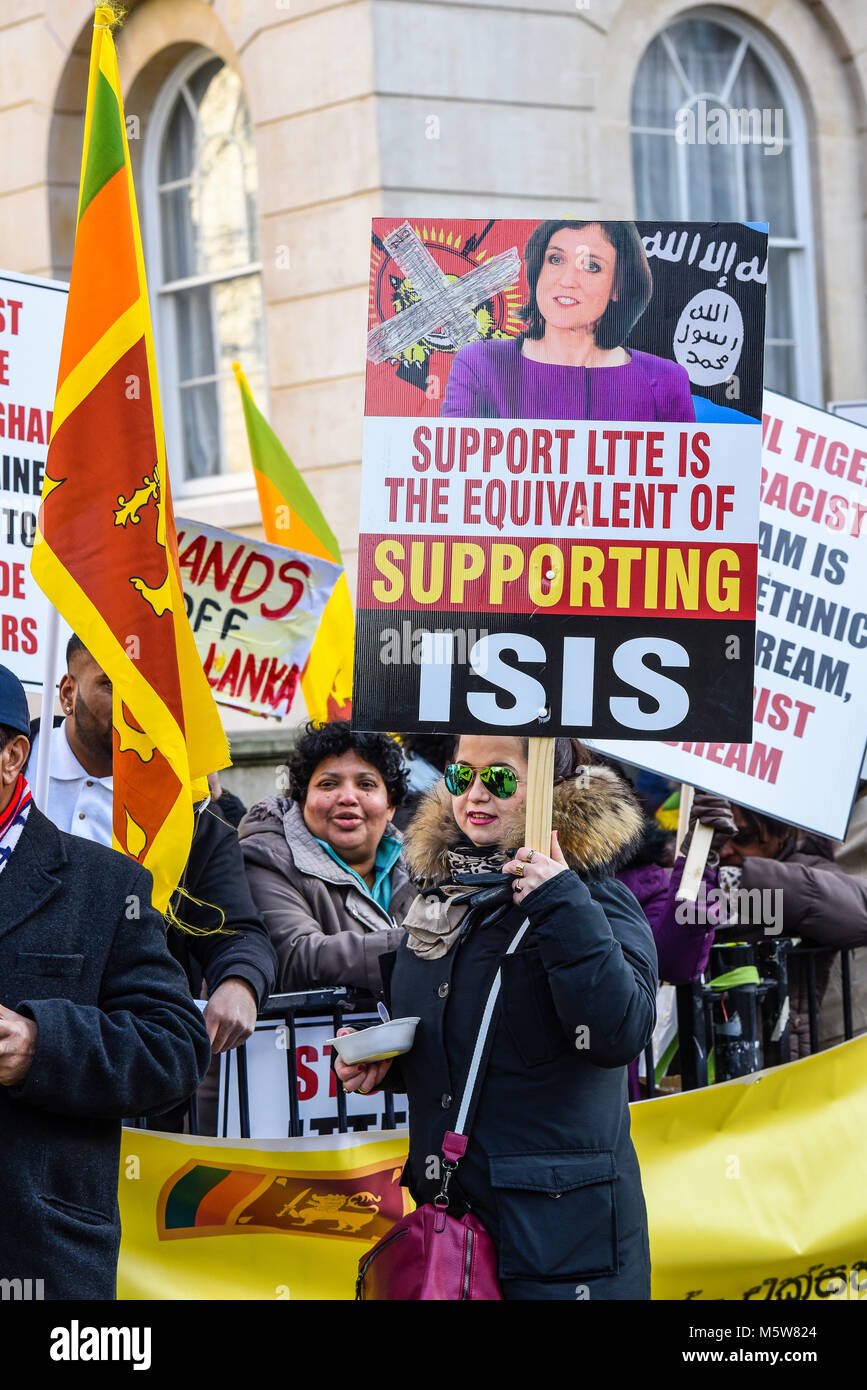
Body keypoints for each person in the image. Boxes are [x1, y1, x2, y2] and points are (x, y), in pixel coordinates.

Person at [336, 735, 658, 1300]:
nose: (476, 793)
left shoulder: (594, 896)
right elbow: (483, 1043)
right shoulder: (447, 894)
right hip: (457, 1220)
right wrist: (391, 1065)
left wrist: (559, 900)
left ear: (549, 788)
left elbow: (619, 1031)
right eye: (460, 776)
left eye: (502, 777)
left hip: (561, 1243)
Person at [0, 664, 210, 1299]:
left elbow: (174, 1049)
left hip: (34, 1255)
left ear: (12, 757)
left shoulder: (103, 886)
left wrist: (40, 1045)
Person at [28, 636, 277, 1057]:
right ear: (68, 693)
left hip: (125, 1062)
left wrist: (240, 983)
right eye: (112, 684)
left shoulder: (193, 812)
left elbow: (234, 929)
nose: (134, 706)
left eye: (150, 689)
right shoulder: (13, 767)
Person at [441, 219, 695, 422]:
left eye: (591, 266)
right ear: (538, 269)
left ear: (619, 286)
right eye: (556, 259)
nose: (566, 280)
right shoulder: (481, 364)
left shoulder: (666, 380)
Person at [239, 722, 415, 993]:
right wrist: (416, 945)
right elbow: (296, 956)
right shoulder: (265, 857)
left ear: (390, 805)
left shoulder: (426, 864)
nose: (347, 797)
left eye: (366, 784)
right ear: (302, 799)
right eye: (328, 784)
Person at [717, 803, 867, 1059]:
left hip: (788, 1054)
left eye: (743, 837)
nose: (726, 850)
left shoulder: (810, 868)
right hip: (720, 1054)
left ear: (780, 834)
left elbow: (858, 912)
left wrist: (743, 880)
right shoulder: (697, 874)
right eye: (716, 839)